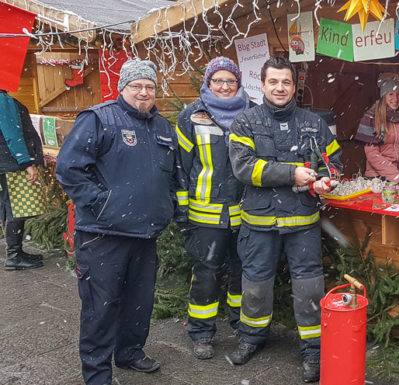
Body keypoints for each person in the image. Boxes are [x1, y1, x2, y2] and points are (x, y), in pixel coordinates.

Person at [56, 59, 185, 385]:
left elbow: (171, 177)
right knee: (101, 306)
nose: (143, 92)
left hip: (145, 234)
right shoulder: (99, 120)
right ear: (122, 88)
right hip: (103, 235)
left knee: (139, 302)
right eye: (136, 86)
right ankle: (97, 373)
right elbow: (69, 169)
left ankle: (129, 353)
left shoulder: (163, 128)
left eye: (149, 87)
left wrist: (168, 206)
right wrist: (102, 204)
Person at [228, 56, 341, 383]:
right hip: (259, 222)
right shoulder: (245, 123)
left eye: (286, 82)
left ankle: (313, 350)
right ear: (262, 85)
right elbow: (244, 169)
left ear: (295, 86)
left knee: (309, 287)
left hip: (302, 222)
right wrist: (293, 173)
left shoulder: (313, 123)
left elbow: (332, 161)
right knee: (255, 285)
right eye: (273, 82)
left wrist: (324, 180)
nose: (280, 88)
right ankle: (251, 337)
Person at [175, 57, 254, 360]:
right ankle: (201, 332)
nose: (224, 86)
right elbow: (180, 168)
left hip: (245, 213)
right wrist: (181, 211)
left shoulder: (251, 114)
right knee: (206, 273)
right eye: (217, 80)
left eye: (230, 81)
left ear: (238, 83)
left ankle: (241, 324)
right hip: (204, 214)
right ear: (208, 83)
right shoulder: (191, 116)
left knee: (242, 272)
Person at [0, 90, 44, 270]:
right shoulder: (2, 100)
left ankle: (15, 252)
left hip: (3, 163)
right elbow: (12, 132)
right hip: (11, 163)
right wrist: (26, 162)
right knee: (16, 209)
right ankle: (14, 256)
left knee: (7, 206)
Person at [355, 73, 399, 183]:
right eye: (390, 94)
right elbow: (372, 154)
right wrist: (397, 178)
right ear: (384, 95)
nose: (395, 99)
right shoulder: (372, 117)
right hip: (377, 178)